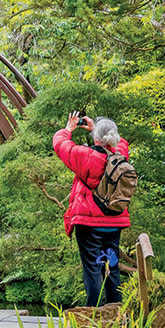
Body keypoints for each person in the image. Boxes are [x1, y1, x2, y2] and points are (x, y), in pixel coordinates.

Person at [53, 112, 130, 306]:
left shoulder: (85, 157)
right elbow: (123, 143)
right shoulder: (120, 157)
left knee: (93, 269)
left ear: (95, 137)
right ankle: (115, 310)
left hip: (89, 224)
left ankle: (92, 314)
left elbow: (60, 144)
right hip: (114, 224)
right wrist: (97, 127)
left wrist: (69, 128)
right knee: (111, 267)